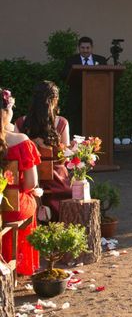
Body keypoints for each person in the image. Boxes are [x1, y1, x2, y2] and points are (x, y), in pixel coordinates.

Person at [15, 81, 72, 221]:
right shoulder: (62, 123)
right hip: (57, 183)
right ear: (55, 100)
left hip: (28, 181)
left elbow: (15, 154)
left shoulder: (20, 123)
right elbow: (66, 158)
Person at [0, 87, 41, 276]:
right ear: (6, 112)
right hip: (12, 207)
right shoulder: (21, 141)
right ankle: (19, 263)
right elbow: (31, 183)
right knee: (30, 200)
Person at [62, 36, 108, 135]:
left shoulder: (101, 60)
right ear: (79, 48)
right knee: (76, 123)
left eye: (88, 48)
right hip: (76, 97)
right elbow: (64, 76)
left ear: (92, 48)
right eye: (83, 48)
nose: (85, 50)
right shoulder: (71, 60)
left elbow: (105, 76)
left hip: (96, 97)